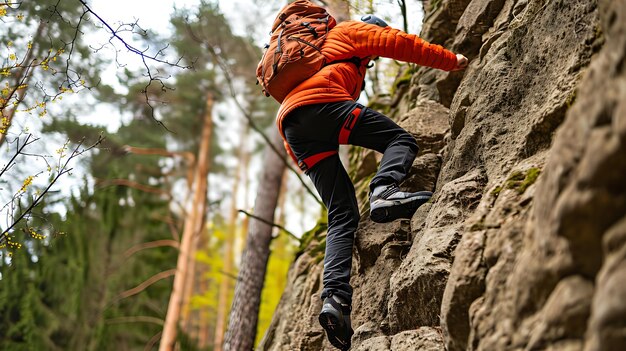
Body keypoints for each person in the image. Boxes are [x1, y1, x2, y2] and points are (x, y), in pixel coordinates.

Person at [275, 12, 468, 351]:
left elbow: (300, 122)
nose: (374, 57)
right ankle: (384, 191)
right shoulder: (352, 31)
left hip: (293, 127)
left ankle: (334, 298)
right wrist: (451, 60)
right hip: (324, 104)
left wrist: (308, 164)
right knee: (401, 141)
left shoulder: (314, 53)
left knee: (341, 213)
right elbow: (399, 43)